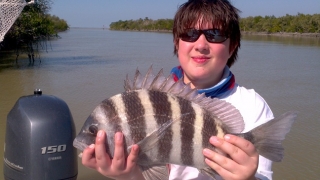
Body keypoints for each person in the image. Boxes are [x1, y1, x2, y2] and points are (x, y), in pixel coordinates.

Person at [81, 0, 274, 179]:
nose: (200, 45)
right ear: (176, 42)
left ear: (232, 46)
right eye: (190, 34)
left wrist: (248, 178)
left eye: (214, 34)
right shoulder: (145, 100)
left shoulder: (253, 106)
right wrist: (127, 175)